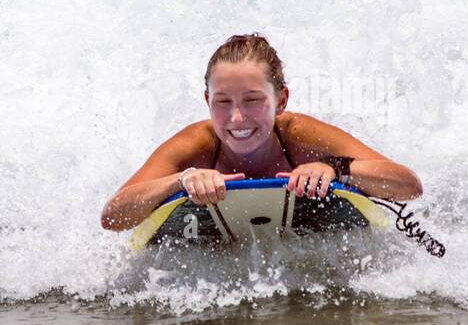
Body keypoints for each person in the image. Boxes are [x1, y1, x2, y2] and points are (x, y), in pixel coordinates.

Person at [100, 34, 422, 231]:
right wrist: (182, 180)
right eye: (222, 102)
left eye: (253, 101)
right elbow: (112, 216)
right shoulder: (196, 144)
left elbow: (408, 185)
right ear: (207, 101)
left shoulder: (300, 136)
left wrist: (334, 168)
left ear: (281, 100)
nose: (237, 118)